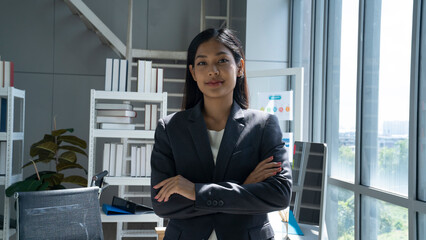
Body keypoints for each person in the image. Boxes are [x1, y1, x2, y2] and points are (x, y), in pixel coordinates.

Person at [150, 28, 292, 240]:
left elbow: (279, 195)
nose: (212, 70)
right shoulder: (170, 128)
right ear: (193, 72)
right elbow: (163, 204)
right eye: (202, 63)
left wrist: (195, 191)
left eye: (222, 61)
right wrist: (245, 186)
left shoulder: (264, 126)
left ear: (240, 67)